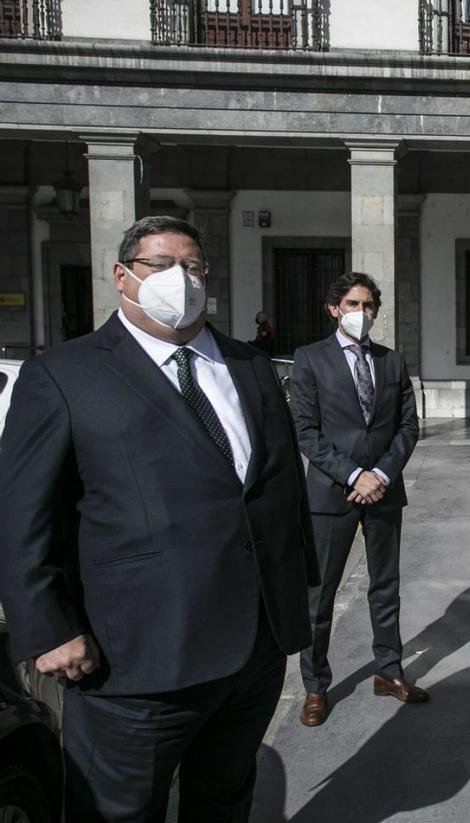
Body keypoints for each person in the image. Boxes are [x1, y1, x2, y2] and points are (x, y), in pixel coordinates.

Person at [0, 215, 317, 821]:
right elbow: (21, 514)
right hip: (136, 659)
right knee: (118, 811)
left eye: (193, 267)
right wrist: (47, 628)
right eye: (162, 264)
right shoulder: (62, 375)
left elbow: (280, 486)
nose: (182, 279)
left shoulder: (250, 365)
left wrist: (299, 580)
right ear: (122, 276)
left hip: (254, 651)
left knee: (224, 800)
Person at [290, 271, 426, 727]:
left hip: (383, 492)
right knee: (320, 595)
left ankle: (389, 670)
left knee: (385, 587)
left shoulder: (392, 361)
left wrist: (381, 474)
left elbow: (407, 426)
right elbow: (306, 431)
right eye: (352, 304)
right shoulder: (310, 359)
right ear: (334, 309)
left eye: (368, 305)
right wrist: (354, 475)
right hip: (332, 493)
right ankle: (315, 686)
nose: (361, 313)